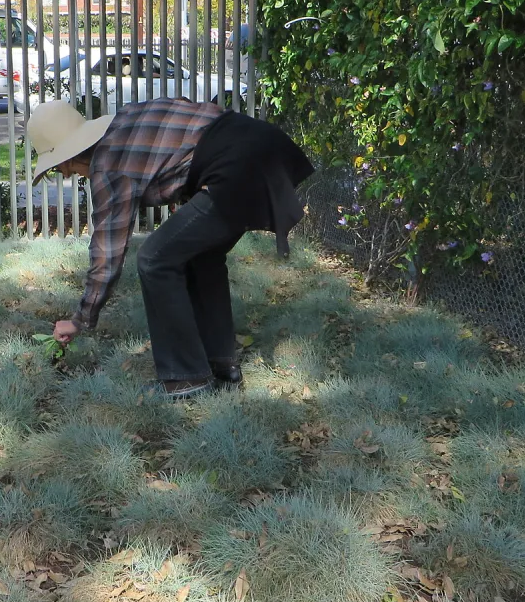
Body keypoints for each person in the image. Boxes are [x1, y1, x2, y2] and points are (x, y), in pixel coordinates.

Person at [29, 97, 314, 400]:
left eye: (59, 169)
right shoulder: (127, 119)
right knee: (202, 257)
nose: (67, 176)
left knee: (154, 259)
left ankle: (184, 377)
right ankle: (221, 363)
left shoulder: (110, 166)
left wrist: (79, 319)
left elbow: (107, 254)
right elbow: (193, 132)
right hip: (263, 146)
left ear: (69, 158)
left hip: (236, 170)